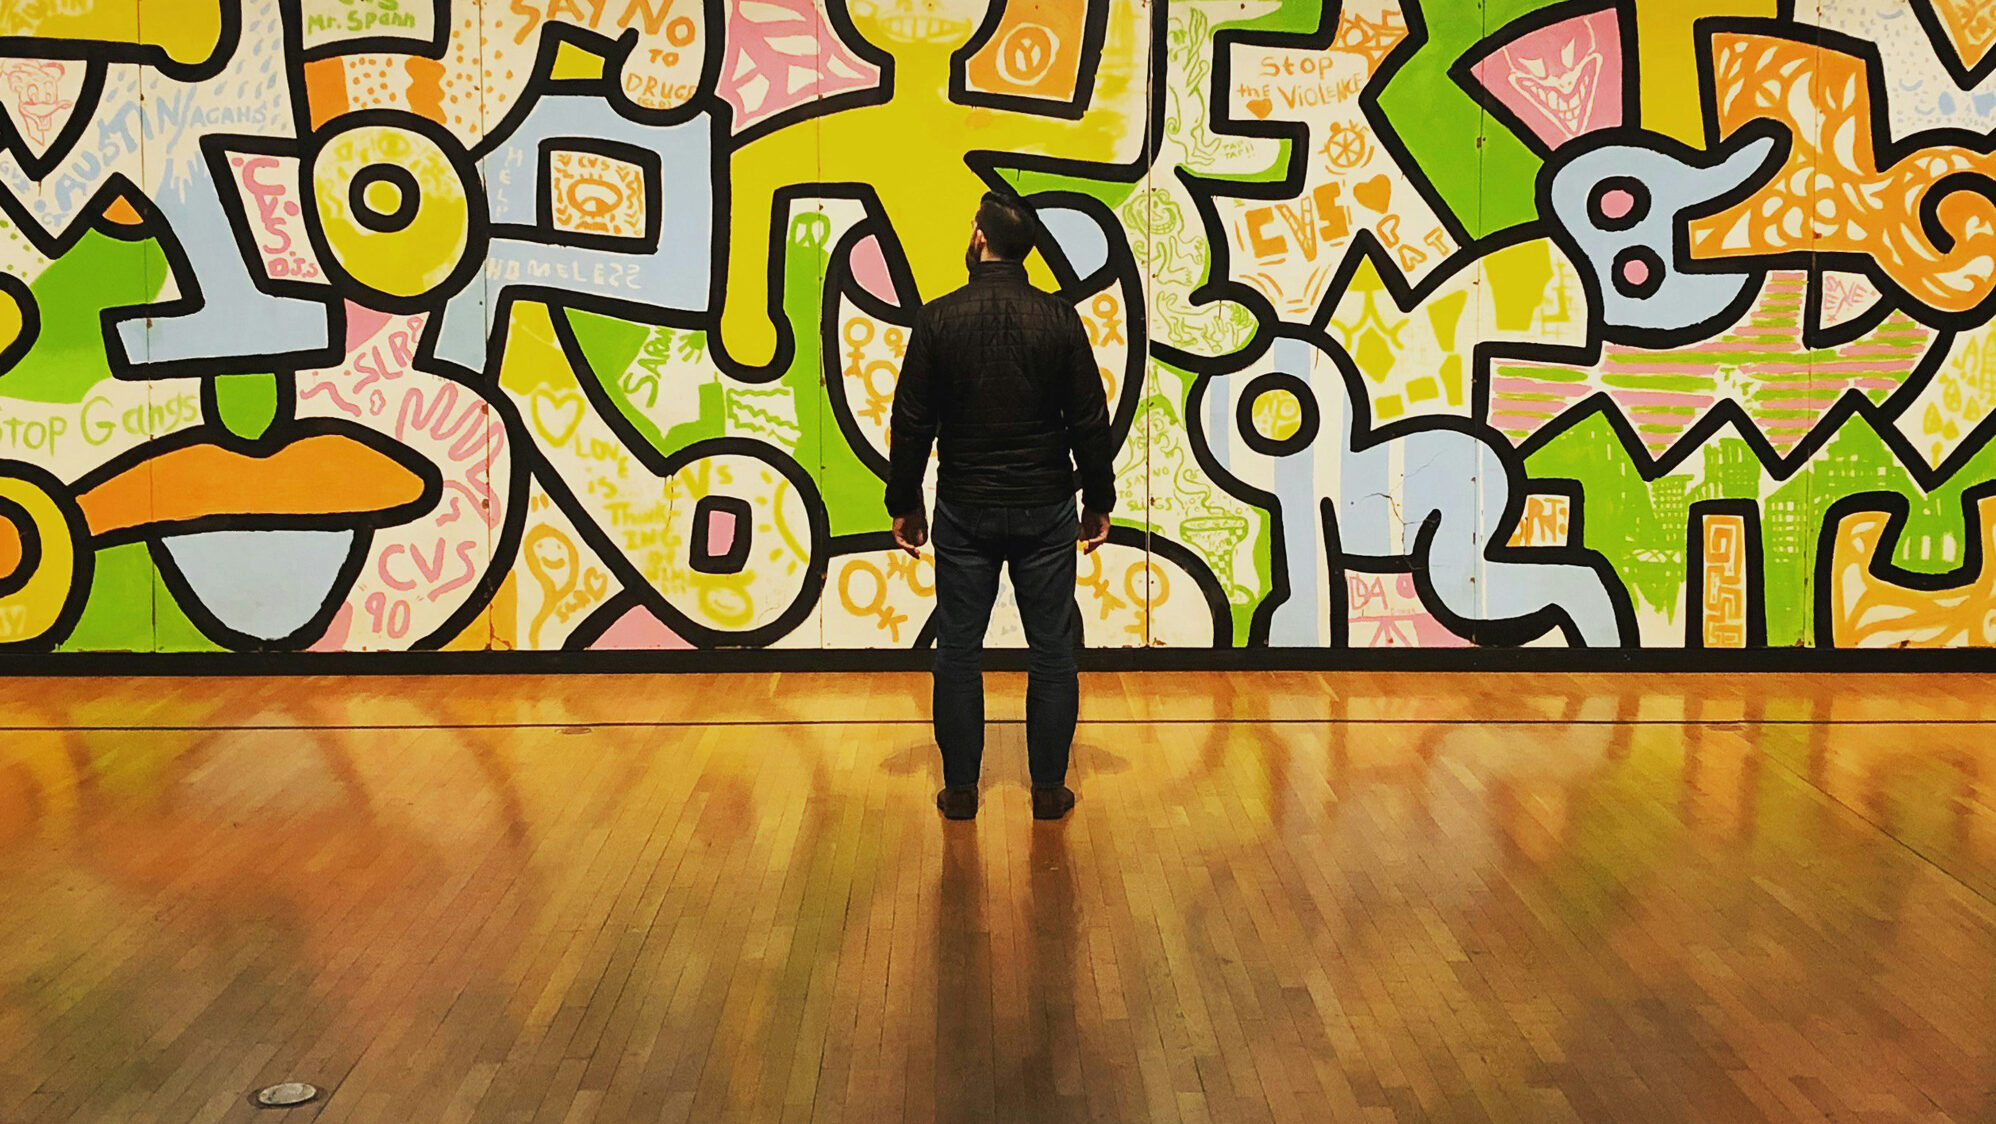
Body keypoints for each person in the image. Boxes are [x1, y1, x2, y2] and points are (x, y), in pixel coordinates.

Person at [885, 190, 1115, 823]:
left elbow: (911, 424)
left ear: (981, 240)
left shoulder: (939, 319)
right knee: (1051, 649)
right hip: (1045, 506)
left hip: (966, 507)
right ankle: (1047, 790)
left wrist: (903, 502)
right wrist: (1099, 499)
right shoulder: (1059, 318)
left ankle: (961, 790)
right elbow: (1090, 421)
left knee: (958, 648)